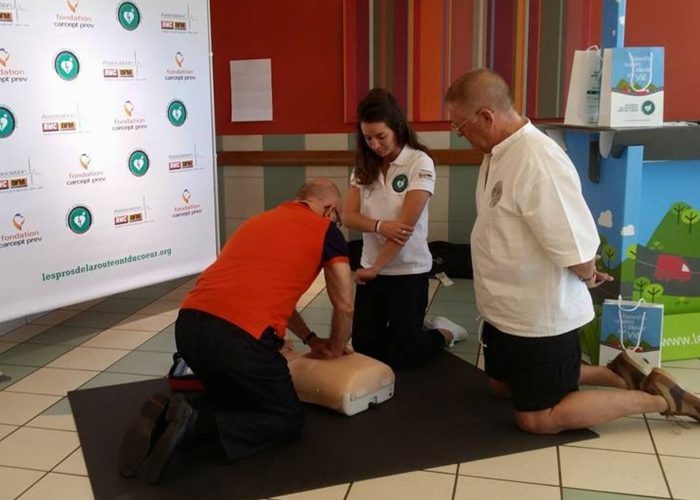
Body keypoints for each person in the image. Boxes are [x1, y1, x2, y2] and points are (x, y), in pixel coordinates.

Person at [444, 68, 700, 433]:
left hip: (538, 318)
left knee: (536, 418)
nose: (460, 135)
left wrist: (587, 273)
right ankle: (616, 374)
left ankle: (661, 399)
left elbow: (577, 244)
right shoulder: (499, 152)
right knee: (501, 386)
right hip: (504, 310)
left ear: (487, 116)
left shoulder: (538, 160)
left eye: (460, 126)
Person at [117, 179, 354, 483]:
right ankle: (193, 427)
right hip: (237, 340)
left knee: (238, 399)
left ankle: (164, 417)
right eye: (337, 219)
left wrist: (308, 338)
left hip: (188, 328)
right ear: (329, 210)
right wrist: (335, 347)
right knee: (287, 419)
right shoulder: (325, 230)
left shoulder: (257, 221)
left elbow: (259, 285)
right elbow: (345, 304)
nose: (336, 224)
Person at [343, 88, 468, 370]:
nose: (374, 144)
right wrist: (378, 225)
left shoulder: (419, 162)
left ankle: (443, 331)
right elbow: (348, 215)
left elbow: (404, 229)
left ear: (397, 128)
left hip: (407, 270)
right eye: (367, 138)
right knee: (365, 347)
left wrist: (375, 267)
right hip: (372, 268)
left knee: (407, 353)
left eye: (380, 136)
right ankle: (408, 325)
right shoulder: (364, 165)